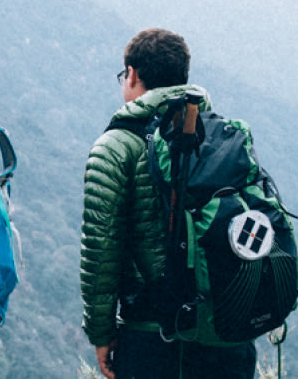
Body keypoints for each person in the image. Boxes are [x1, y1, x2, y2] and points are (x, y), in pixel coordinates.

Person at [80, 28, 256, 379]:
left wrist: (101, 334)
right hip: (227, 331)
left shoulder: (116, 146)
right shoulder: (225, 139)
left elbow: (102, 252)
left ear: (131, 74)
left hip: (153, 336)